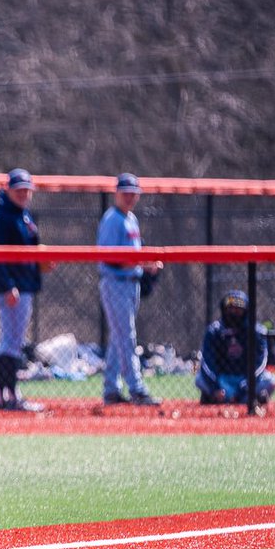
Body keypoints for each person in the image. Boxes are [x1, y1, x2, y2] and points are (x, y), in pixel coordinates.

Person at [96, 172, 162, 406]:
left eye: (134, 193)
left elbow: (134, 254)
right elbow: (110, 257)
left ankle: (112, 389)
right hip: (115, 282)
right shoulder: (112, 219)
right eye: (126, 193)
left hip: (131, 283)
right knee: (127, 337)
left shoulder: (130, 218)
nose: (130, 197)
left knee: (118, 337)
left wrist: (147, 265)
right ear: (117, 193)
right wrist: (143, 264)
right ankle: (137, 388)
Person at [0, 168, 44, 412]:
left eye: (26, 189)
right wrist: (8, 286)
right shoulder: (1, 216)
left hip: (24, 285)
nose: (23, 193)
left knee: (14, 342)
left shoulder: (24, 215)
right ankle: (5, 394)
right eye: (18, 189)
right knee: (10, 342)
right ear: (7, 190)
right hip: (11, 288)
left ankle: (6, 393)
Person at [195, 290, 275, 406]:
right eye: (230, 309)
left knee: (270, 381)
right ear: (224, 310)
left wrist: (245, 385)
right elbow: (206, 363)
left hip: (247, 379)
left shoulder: (257, 331)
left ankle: (239, 398)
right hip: (222, 380)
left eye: (238, 310)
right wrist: (216, 387)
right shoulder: (214, 331)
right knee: (199, 379)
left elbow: (260, 364)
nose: (234, 312)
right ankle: (226, 397)